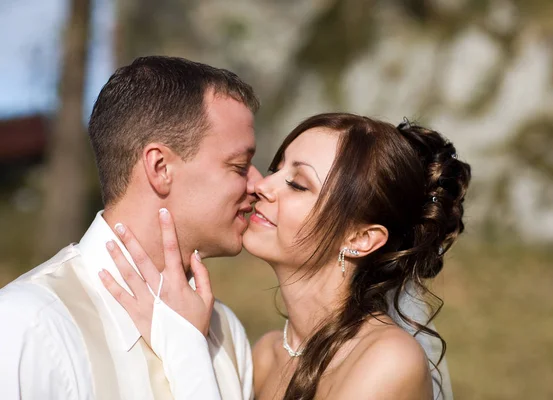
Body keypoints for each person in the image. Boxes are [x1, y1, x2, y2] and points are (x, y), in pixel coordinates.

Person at [102, 113, 471, 399]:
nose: (262, 185)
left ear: (360, 238)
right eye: (277, 168)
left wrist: (186, 351)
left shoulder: (389, 360)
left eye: (297, 183)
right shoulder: (263, 355)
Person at [0, 56, 261, 399]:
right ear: (160, 167)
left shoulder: (226, 332)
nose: (259, 184)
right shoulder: (29, 323)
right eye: (240, 166)